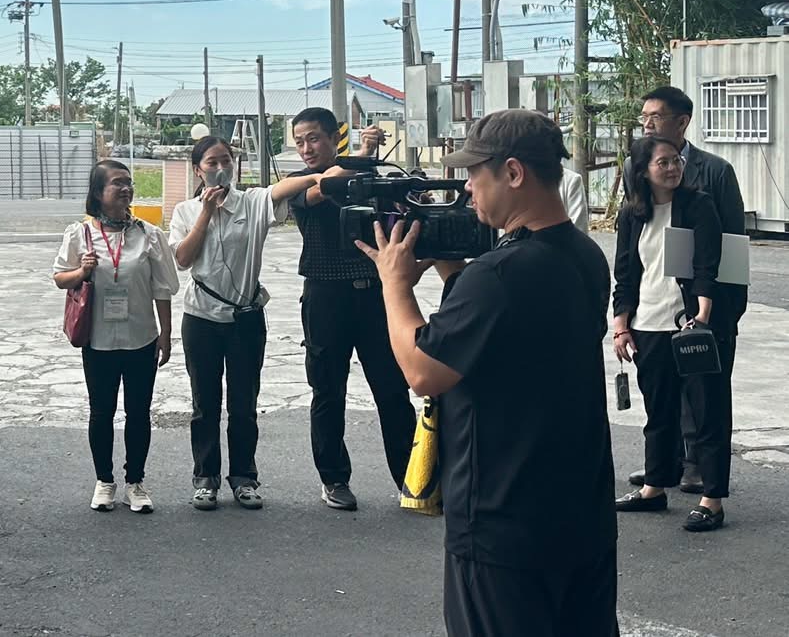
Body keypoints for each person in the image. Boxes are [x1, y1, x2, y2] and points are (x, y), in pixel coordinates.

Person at [360, 110, 616, 637]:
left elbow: (423, 371)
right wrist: (455, 269)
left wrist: (394, 284)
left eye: (475, 174)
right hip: (581, 516)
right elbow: (509, 336)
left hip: (503, 523)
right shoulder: (586, 256)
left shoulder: (498, 275)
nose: (467, 190)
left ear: (514, 173)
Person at [170, 136, 320, 511]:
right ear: (197, 170)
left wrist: (321, 173)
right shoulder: (185, 211)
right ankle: (205, 478)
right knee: (205, 403)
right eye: (211, 162)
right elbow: (183, 259)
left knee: (243, 403)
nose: (221, 168)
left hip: (245, 319)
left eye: (226, 160)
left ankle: (244, 478)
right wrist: (206, 212)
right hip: (201, 318)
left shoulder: (252, 202)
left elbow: (285, 188)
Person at [289, 109, 415, 511]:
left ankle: (412, 479)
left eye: (314, 138)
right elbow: (325, 188)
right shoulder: (299, 182)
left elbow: (395, 206)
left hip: (375, 296)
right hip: (325, 297)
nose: (307, 148)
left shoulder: (369, 177)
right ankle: (334, 479)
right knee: (328, 390)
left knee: (393, 390)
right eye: (300, 141)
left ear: (333, 139)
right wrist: (361, 156)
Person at [625, 85, 748, 497]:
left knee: (705, 398)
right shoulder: (634, 167)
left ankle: (699, 468)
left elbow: (732, 247)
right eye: (644, 117)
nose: (647, 124)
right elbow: (636, 245)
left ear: (681, 122)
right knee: (662, 396)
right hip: (655, 309)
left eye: (655, 117)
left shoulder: (714, 172)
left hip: (704, 305)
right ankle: (665, 467)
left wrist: (726, 311)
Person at [612, 136, 730, 531]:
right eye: (662, 162)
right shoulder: (633, 213)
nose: (673, 167)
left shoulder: (698, 205)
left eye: (676, 160)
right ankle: (654, 487)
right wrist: (621, 325)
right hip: (648, 325)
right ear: (643, 170)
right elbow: (625, 273)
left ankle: (712, 499)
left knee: (707, 410)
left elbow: (707, 265)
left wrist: (702, 317)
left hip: (690, 325)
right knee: (658, 411)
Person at [53, 160, 177, 514]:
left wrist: (166, 334)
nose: (126, 189)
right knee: (101, 411)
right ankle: (104, 481)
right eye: (117, 183)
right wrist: (82, 270)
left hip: (141, 337)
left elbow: (162, 288)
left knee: (139, 412)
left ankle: (135, 482)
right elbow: (60, 277)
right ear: (98, 192)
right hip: (99, 340)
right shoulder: (80, 234)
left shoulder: (149, 235)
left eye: (129, 183)